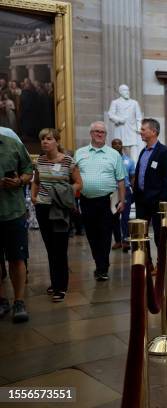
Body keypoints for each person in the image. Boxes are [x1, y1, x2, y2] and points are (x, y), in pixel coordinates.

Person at [31, 128, 82, 302]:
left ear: (57, 142)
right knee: (50, 248)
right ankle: (55, 282)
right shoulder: (40, 161)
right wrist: (34, 197)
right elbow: (36, 182)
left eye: (49, 139)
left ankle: (61, 287)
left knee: (60, 248)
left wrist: (65, 191)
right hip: (43, 208)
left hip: (60, 209)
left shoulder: (68, 161)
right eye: (42, 139)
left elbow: (78, 184)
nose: (45, 142)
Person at [75, 121, 126, 281]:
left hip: (108, 201)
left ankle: (103, 267)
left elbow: (121, 180)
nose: (99, 134)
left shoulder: (114, 154)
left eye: (102, 132)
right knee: (91, 235)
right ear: (91, 133)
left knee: (105, 234)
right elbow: (73, 178)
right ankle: (99, 263)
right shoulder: (79, 153)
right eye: (96, 131)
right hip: (86, 200)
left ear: (105, 135)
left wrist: (122, 201)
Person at [0, 133, 33, 322]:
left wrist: (19, 181)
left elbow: (28, 170)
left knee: (17, 258)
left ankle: (19, 301)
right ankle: (1, 299)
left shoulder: (12, 144)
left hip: (13, 211)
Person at [132, 118, 167, 251]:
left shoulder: (165, 152)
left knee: (159, 235)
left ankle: (160, 265)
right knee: (140, 234)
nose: (141, 132)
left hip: (157, 202)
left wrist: (162, 200)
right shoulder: (143, 152)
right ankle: (146, 264)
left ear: (153, 131)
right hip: (141, 201)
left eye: (143, 129)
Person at [107, 84, 143, 163]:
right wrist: (119, 119)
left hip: (132, 130)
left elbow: (139, 117)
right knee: (119, 149)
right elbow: (110, 115)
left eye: (128, 90)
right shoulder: (115, 102)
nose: (127, 92)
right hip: (121, 129)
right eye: (124, 90)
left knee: (134, 153)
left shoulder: (134, 103)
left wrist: (139, 128)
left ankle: (134, 169)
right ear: (120, 92)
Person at [111, 138, 136, 252]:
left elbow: (132, 176)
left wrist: (132, 188)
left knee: (125, 217)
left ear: (122, 145)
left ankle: (125, 240)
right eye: (114, 144)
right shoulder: (109, 160)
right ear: (111, 146)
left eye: (119, 143)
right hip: (112, 190)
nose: (117, 145)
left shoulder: (128, 161)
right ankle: (117, 241)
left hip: (125, 190)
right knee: (114, 216)